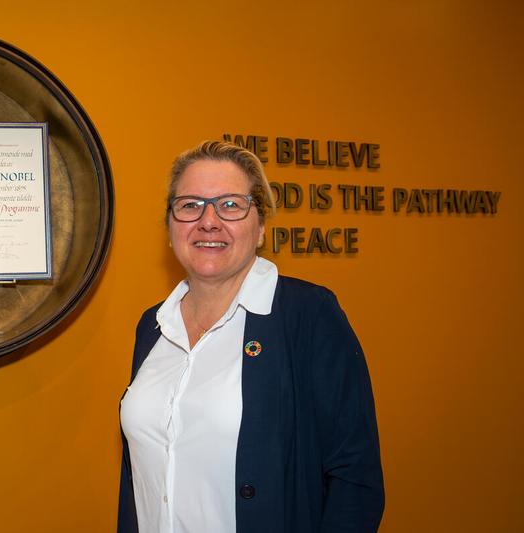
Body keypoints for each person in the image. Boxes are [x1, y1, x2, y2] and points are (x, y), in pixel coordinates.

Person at [118, 141, 384, 533]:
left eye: (230, 205)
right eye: (190, 205)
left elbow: (354, 478)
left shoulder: (308, 315)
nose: (208, 221)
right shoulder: (153, 325)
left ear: (260, 226)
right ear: (171, 225)